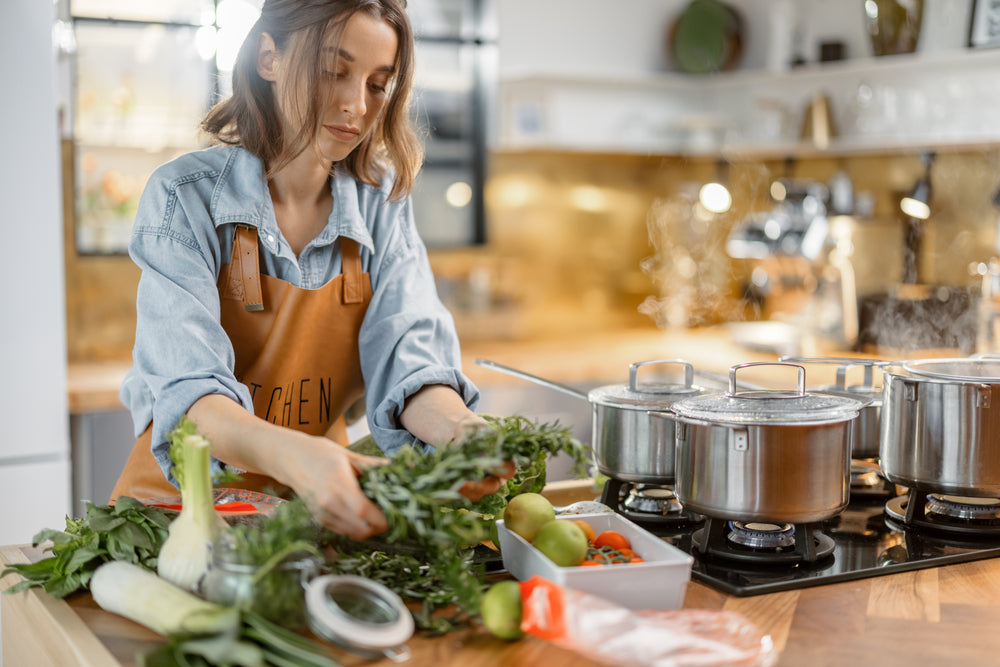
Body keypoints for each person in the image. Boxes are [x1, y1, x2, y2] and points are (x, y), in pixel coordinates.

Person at [110, 0, 511, 540]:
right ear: (269, 57)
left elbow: (411, 365)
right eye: (333, 72)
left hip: (318, 521)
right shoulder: (184, 196)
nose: (355, 105)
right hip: (179, 521)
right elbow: (192, 400)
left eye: (376, 84)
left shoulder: (381, 206)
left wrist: (465, 432)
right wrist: (303, 457)